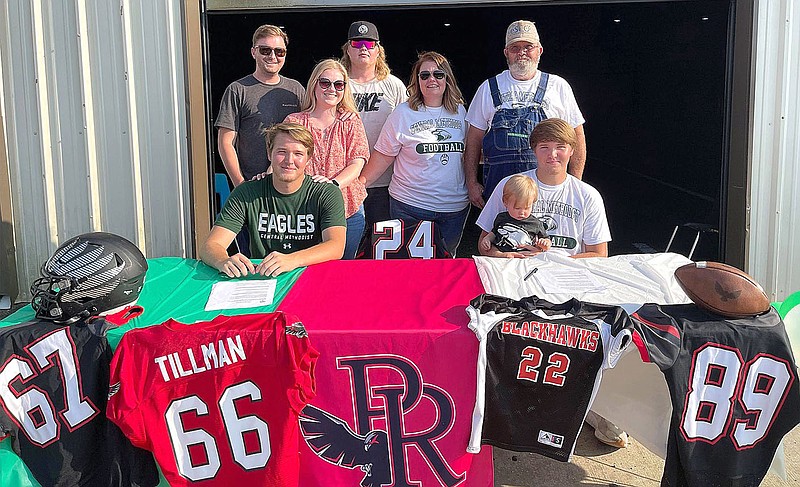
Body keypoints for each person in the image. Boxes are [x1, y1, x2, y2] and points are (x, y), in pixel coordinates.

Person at [464, 20, 587, 208]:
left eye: (528, 47)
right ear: (506, 53)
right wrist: (471, 183)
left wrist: (575, 181)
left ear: (539, 50)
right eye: (515, 47)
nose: (521, 52)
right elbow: (473, 140)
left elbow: (577, 136)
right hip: (501, 193)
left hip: (547, 194)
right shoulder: (488, 88)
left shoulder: (558, 86)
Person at [200, 122, 346, 277]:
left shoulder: (326, 193)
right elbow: (210, 245)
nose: (289, 160)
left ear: (308, 158)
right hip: (263, 277)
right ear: (269, 154)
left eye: (298, 154)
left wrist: (292, 260)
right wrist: (223, 260)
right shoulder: (247, 192)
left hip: (309, 276)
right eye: (282, 152)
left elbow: (336, 246)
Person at [359, 51, 470, 256]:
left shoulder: (461, 112)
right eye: (424, 75)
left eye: (438, 74)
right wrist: (358, 185)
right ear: (417, 80)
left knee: (445, 265)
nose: (431, 79)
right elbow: (383, 155)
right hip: (410, 205)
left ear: (447, 79)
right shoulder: (403, 113)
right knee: (411, 268)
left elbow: (470, 155)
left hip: (453, 209)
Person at [476, 118, 609, 259]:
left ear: (572, 150)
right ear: (534, 150)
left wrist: (553, 263)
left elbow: (599, 254)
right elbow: (483, 245)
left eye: (560, 147)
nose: (552, 154)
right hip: (515, 269)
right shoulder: (509, 184)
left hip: (566, 272)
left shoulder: (588, 195)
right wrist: (504, 255)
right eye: (544, 147)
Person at [284, 59, 370, 260]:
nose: (332, 89)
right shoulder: (295, 121)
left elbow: (357, 162)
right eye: (325, 83)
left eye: (338, 84)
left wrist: (332, 184)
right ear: (314, 84)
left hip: (348, 210)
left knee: (344, 272)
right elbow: (284, 160)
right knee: (307, 271)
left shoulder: (351, 121)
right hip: (305, 210)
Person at [215, 24, 305, 187]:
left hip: (291, 186)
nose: (273, 56)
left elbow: (313, 127)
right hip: (252, 187)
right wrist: (241, 185)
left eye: (279, 51)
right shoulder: (238, 90)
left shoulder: (296, 89)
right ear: (253, 52)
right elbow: (225, 142)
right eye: (265, 50)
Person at [340, 21, 407, 227]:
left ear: (378, 50)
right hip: (344, 180)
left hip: (385, 182)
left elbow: (408, 129)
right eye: (357, 42)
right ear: (347, 49)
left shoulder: (393, 85)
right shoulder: (336, 83)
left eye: (369, 44)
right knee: (347, 245)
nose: (363, 47)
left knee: (379, 246)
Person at [479, 174, 551, 257]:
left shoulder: (535, 223)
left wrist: (545, 243)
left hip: (525, 258)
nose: (522, 212)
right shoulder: (501, 217)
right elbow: (494, 232)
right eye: (517, 208)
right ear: (505, 202)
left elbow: (546, 239)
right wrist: (487, 239)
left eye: (527, 208)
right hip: (501, 257)